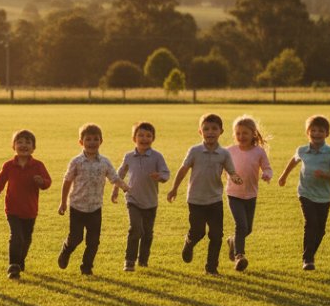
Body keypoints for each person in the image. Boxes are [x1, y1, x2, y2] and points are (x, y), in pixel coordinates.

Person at [167, 113, 242, 275]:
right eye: (206, 129)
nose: (210, 132)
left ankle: (211, 268)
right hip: (195, 200)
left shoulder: (224, 153)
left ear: (221, 131)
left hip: (215, 200)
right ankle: (189, 242)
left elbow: (231, 171)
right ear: (200, 132)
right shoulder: (194, 151)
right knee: (198, 232)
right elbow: (183, 169)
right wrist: (174, 188)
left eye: (214, 129)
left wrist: (235, 177)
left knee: (216, 235)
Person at [56, 123, 129, 276]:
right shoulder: (76, 162)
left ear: (101, 141)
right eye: (88, 139)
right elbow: (67, 181)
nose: (92, 142)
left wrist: (124, 187)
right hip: (77, 207)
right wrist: (63, 202)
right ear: (81, 142)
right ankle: (66, 250)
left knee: (93, 241)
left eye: (96, 139)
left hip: (95, 208)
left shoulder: (104, 162)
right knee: (76, 238)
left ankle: (87, 267)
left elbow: (114, 177)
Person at [277, 115, 330, 271]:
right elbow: (293, 161)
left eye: (321, 131)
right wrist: (283, 176)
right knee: (311, 224)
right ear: (307, 132)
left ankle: (310, 254)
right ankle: (308, 259)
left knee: (320, 230)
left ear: (327, 133)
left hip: (324, 196)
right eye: (313, 130)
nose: (316, 133)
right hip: (305, 193)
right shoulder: (302, 150)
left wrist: (326, 175)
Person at [0, 129, 52, 280]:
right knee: (16, 236)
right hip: (12, 209)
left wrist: (42, 182)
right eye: (19, 142)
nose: (24, 145)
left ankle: (20, 261)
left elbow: (48, 182)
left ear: (33, 148)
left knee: (26, 238)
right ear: (13, 146)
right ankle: (13, 266)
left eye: (28, 142)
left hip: (30, 210)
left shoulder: (38, 165)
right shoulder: (9, 166)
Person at [110, 121, 170, 270]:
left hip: (150, 201)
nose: (144, 138)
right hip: (133, 199)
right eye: (141, 135)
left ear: (153, 138)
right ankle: (129, 260)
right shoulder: (129, 156)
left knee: (147, 233)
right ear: (134, 138)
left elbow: (166, 173)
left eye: (148, 136)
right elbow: (120, 173)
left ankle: (143, 259)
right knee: (135, 228)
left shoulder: (157, 157)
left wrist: (160, 176)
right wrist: (116, 189)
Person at [225, 115, 272, 272]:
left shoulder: (259, 152)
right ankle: (240, 256)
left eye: (245, 133)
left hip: (251, 195)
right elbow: (219, 165)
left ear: (253, 134)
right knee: (241, 225)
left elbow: (267, 167)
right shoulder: (229, 151)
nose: (241, 136)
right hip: (233, 194)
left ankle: (233, 241)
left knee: (248, 229)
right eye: (238, 133)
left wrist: (267, 174)